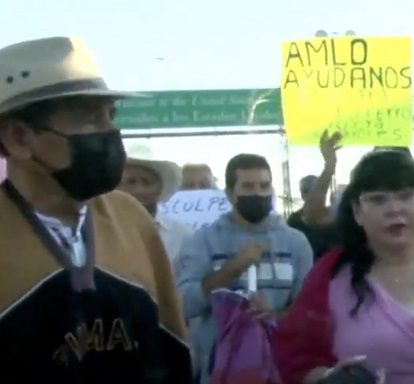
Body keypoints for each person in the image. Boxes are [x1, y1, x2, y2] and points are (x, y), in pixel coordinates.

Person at [0, 36, 191, 382]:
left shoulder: (130, 218)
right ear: (18, 138)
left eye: (111, 116)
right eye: (90, 120)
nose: (110, 134)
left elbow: (173, 349)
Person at [273, 150, 414, 384]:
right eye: (378, 199)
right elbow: (294, 360)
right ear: (357, 211)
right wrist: (328, 378)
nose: (395, 209)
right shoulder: (330, 276)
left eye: (406, 197)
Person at [175, 153, 314, 383]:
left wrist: (275, 315)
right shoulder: (204, 240)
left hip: (280, 370)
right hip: (221, 370)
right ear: (230, 193)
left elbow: (308, 308)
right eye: (248, 186)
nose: (258, 193)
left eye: (264, 185)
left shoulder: (296, 243)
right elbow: (185, 304)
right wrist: (233, 268)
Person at [119, 156, 193, 263]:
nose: (139, 190)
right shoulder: (98, 231)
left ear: (160, 189)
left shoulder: (182, 234)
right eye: (131, 182)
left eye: (147, 182)